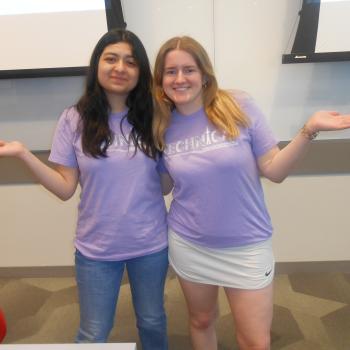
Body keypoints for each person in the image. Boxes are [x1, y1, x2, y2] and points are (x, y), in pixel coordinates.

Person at [152, 35, 350, 350]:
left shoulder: (237, 105)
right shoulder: (162, 126)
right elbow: (163, 186)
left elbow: (274, 169)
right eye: (170, 71)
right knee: (201, 321)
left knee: (255, 341)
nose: (179, 78)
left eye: (188, 69)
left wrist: (308, 130)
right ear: (160, 81)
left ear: (204, 74)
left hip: (246, 247)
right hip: (189, 243)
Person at [0, 29, 169, 349]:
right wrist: (23, 154)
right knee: (93, 333)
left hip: (150, 244)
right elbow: (65, 189)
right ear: (97, 64)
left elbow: (163, 186)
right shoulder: (73, 119)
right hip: (96, 249)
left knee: (153, 321)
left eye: (130, 62)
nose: (120, 67)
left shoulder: (155, 118)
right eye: (111, 58)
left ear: (140, 71)